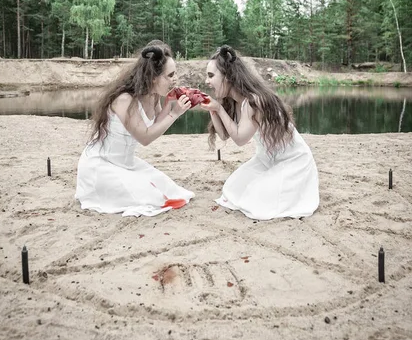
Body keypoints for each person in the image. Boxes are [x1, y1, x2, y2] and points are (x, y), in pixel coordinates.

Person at [75, 40, 195, 216]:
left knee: (170, 191)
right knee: (150, 199)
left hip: (127, 163)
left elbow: (155, 126)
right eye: (170, 75)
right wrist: (174, 114)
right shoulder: (125, 100)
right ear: (153, 77)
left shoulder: (153, 96)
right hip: (102, 165)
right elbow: (145, 137)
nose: (175, 79)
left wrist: (169, 104)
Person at [200, 45, 319, 221]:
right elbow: (225, 135)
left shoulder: (255, 101)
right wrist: (213, 109)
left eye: (211, 76)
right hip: (266, 159)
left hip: (293, 162)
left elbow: (240, 139)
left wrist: (218, 108)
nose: (206, 81)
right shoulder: (234, 101)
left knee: (255, 202)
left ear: (228, 76)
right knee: (232, 189)